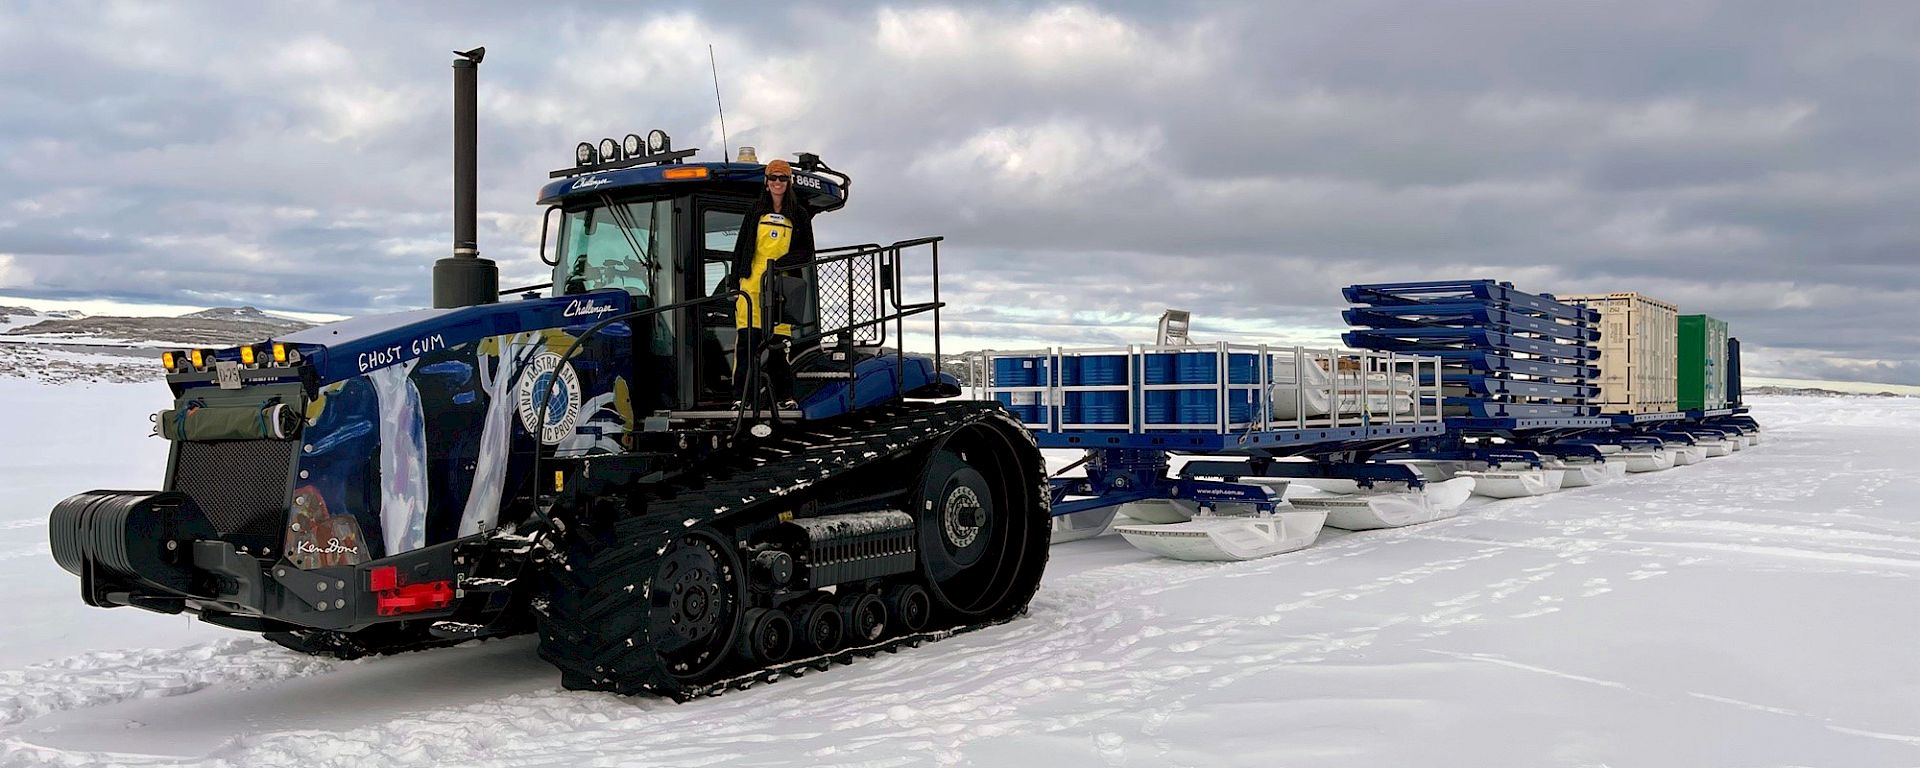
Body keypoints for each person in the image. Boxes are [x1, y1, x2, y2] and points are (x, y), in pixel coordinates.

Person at [730, 158, 815, 410]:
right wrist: (735, 282)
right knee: (747, 344)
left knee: (778, 347)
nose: (778, 183)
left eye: (783, 178)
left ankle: (784, 397)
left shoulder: (799, 214)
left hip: (782, 288)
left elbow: (806, 251)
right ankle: (741, 397)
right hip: (752, 284)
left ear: (789, 183)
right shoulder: (755, 210)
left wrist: (780, 264)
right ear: (766, 182)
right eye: (774, 178)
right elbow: (740, 248)